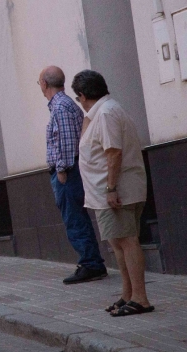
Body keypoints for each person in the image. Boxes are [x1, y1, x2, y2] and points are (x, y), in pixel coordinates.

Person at [71, 70, 154, 316]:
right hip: (109, 191)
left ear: (83, 95)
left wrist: (110, 188)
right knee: (118, 243)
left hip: (115, 192)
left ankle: (140, 297)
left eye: (78, 98)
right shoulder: (102, 112)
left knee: (127, 242)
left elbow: (113, 153)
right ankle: (128, 294)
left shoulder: (106, 114)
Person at [38, 66, 107, 284]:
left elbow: (67, 142)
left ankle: (91, 264)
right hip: (71, 169)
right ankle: (91, 262)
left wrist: (62, 170)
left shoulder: (60, 107)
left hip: (68, 172)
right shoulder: (63, 104)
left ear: (44, 84)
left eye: (38, 82)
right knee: (76, 218)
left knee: (74, 218)